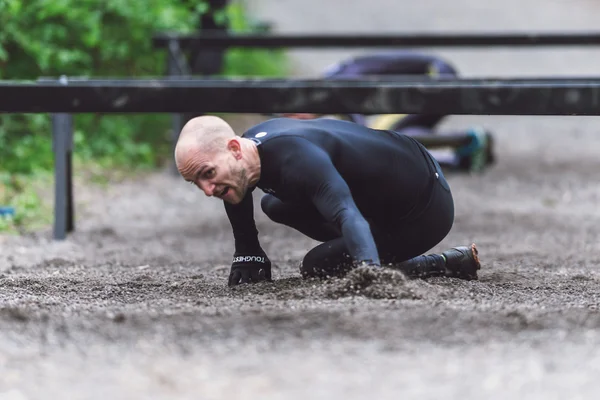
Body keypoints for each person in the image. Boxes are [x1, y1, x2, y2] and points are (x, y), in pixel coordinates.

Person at [174, 115, 481, 287]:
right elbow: (234, 189)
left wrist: (368, 271)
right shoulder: (246, 151)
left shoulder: (297, 159)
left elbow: (345, 212)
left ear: (234, 149)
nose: (207, 190)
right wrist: (248, 250)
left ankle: (439, 263)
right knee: (273, 205)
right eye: (195, 182)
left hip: (425, 207)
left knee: (317, 265)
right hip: (397, 178)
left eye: (207, 173)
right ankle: (370, 244)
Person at [282, 51, 496, 173]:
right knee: (394, 137)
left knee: (381, 136)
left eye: (296, 115)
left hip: (435, 77)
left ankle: (468, 140)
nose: (300, 119)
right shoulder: (329, 81)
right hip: (433, 75)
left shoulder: (333, 87)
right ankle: (458, 153)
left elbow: (360, 128)